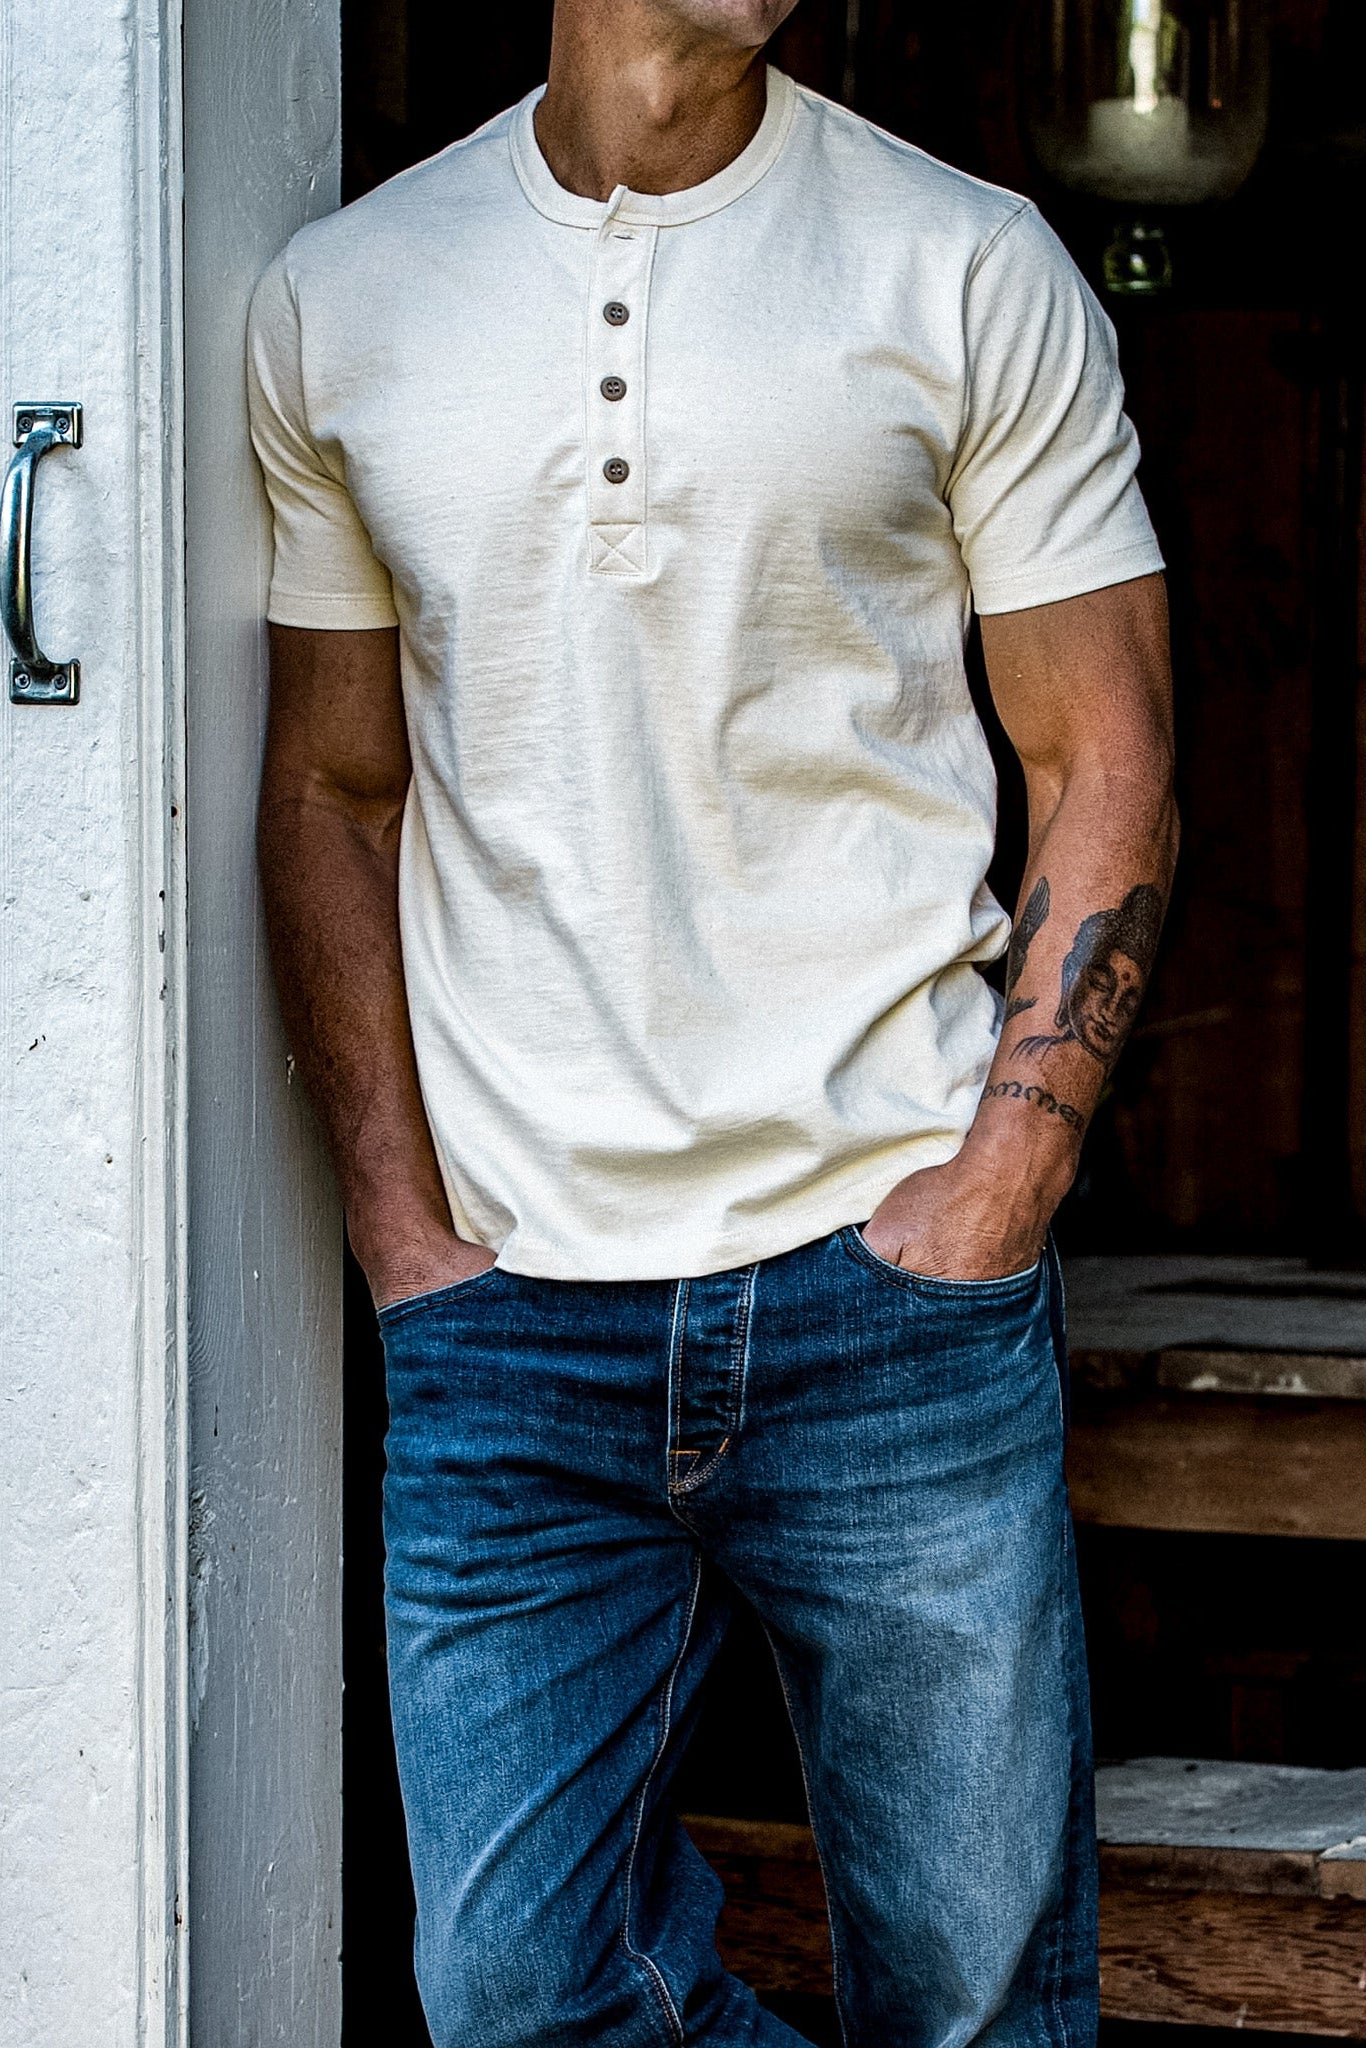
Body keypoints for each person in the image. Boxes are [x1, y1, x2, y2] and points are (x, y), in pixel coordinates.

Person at [248, 0, 1178, 2040]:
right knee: (513, 1995)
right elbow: (328, 789)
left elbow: (1099, 756)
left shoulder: (961, 262)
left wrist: (994, 1188)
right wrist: (406, 1237)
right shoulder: (347, 294)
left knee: (971, 2002)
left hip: (888, 1292)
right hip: (509, 1322)